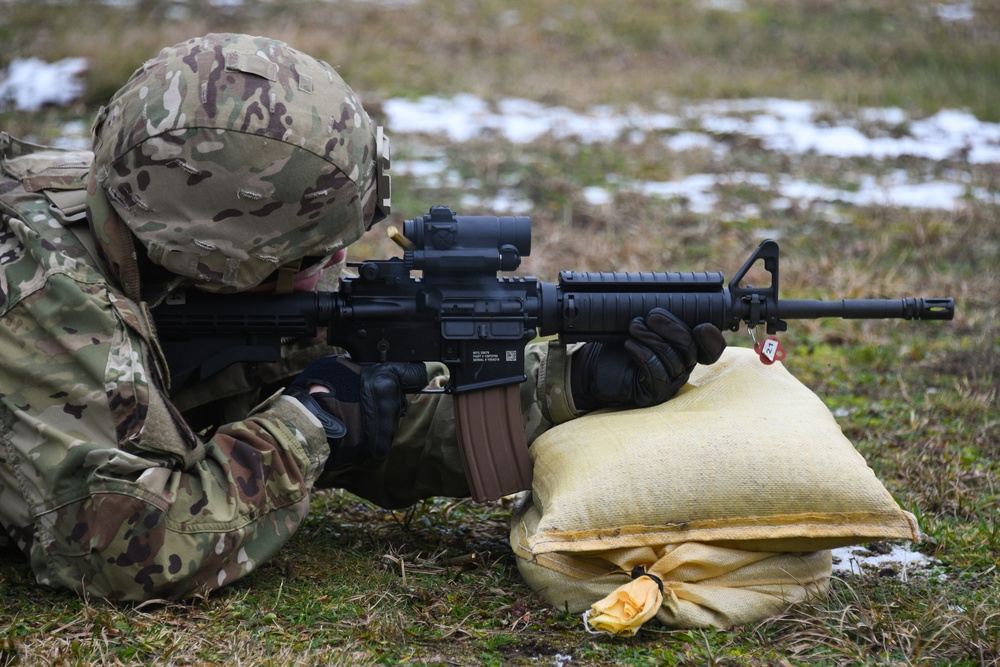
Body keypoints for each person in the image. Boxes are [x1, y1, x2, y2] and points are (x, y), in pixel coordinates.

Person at [0, 33, 725, 601]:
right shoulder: (43, 295)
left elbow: (362, 401)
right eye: (313, 251)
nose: (337, 262)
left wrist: (577, 382)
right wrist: (307, 427)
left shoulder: (143, 208)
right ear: (216, 256)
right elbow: (127, 552)